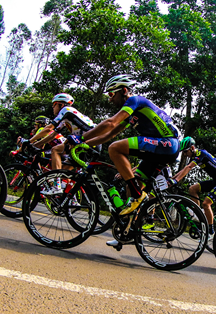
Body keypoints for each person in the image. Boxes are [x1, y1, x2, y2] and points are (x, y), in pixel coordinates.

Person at [64, 74, 180, 217]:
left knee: (115, 148)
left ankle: (138, 195)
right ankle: (128, 231)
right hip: (161, 149)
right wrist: (83, 143)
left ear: (124, 90)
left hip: (167, 143)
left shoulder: (134, 100)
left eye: (112, 93)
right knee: (132, 186)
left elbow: (110, 123)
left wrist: (79, 137)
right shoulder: (132, 114)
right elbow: (109, 134)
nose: (110, 98)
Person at [172, 137, 216, 236]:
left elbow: (189, 167)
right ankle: (198, 215)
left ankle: (210, 231)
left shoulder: (201, 153)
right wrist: (173, 178)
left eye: (186, 152)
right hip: (215, 181)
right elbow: (185, 168)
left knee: (206, 204)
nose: (185, 154)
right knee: (192, 189)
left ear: (192, 148)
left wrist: (176, 180)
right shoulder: (194, 156)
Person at [30, 93, 94, 171]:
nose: (52, 107)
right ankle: (59, 181)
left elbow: (48, 129)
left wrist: (29, 141)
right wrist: (34, 145)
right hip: (85, 142)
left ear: (61, 105)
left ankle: (56, 182)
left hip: (89, 140)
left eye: (54, 104)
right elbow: (52, 136)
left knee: (55, 150)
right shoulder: (65, 119)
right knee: (63, 172)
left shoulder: (66, 110)